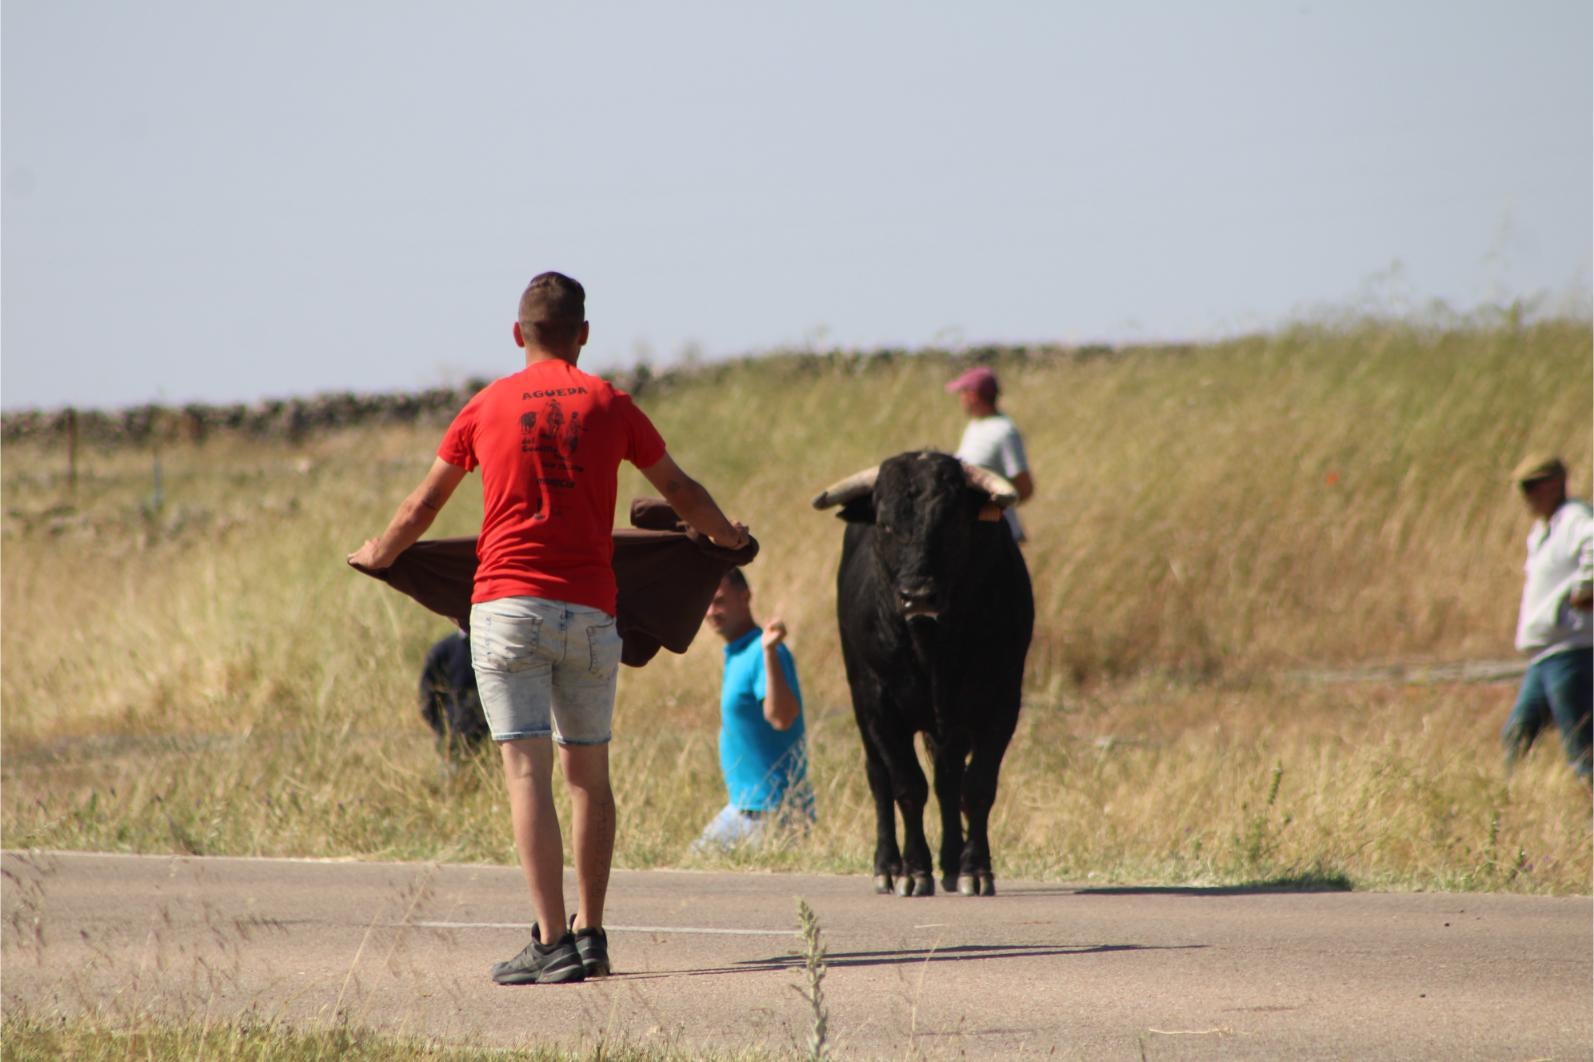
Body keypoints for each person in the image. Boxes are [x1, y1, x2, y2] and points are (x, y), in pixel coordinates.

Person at [349, 272, 747, 984]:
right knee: (589, 776)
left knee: (526, 772)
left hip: (505, 612)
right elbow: (680, 490)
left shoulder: (484, 406)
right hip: (594, 615)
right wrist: (725, 539)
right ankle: (590, 936)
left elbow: (422, 506)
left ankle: (549, 941)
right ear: (584, 335)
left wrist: (377, 554)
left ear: (517, 334)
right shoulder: (610, 403)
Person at [695, 569, 814, 849]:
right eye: (706, 602)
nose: (711, 611)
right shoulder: (739, 652)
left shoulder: (764, 651)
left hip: (773, 815)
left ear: (744, 596)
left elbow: (782, 717)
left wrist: (770, 652)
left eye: (720, 600)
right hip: (743, 809)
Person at [1501, 454, 1592, 783]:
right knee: (1516, 736)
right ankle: (1504, 812)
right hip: (1545, 656)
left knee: (1583, 751)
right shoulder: (1542, 530)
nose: (1526, 497)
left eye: (1532, 486)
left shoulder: (1576, 519)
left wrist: (1587, 587)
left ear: (1554, 483)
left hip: (1572, 653)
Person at [946, 365, 1034, 541]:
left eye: (962, 393)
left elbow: (1024, 488)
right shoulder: (975, 426)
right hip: (976, 535)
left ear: (973, 395)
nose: (960, 399)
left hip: (998, 538)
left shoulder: (1004, 431)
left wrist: (986, 517)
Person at [419, 630, 489, 759]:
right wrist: (445, 730)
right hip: (454, 742)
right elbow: (427, 700)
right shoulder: (444, 650)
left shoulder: (496, 647)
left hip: (492, 741)